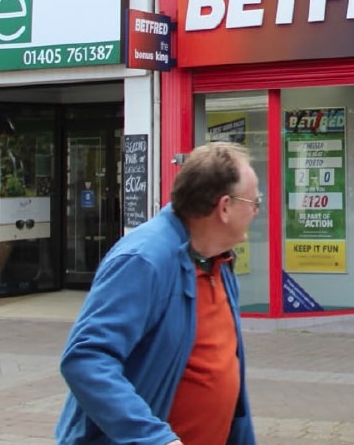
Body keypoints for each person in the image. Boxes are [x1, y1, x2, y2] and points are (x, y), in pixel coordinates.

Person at [56, 141, 260, 445]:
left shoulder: (219, 260)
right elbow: (86, 359)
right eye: (254, 201)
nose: (257, 211)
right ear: (225, 207)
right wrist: (153, 438)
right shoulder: (143, 261)